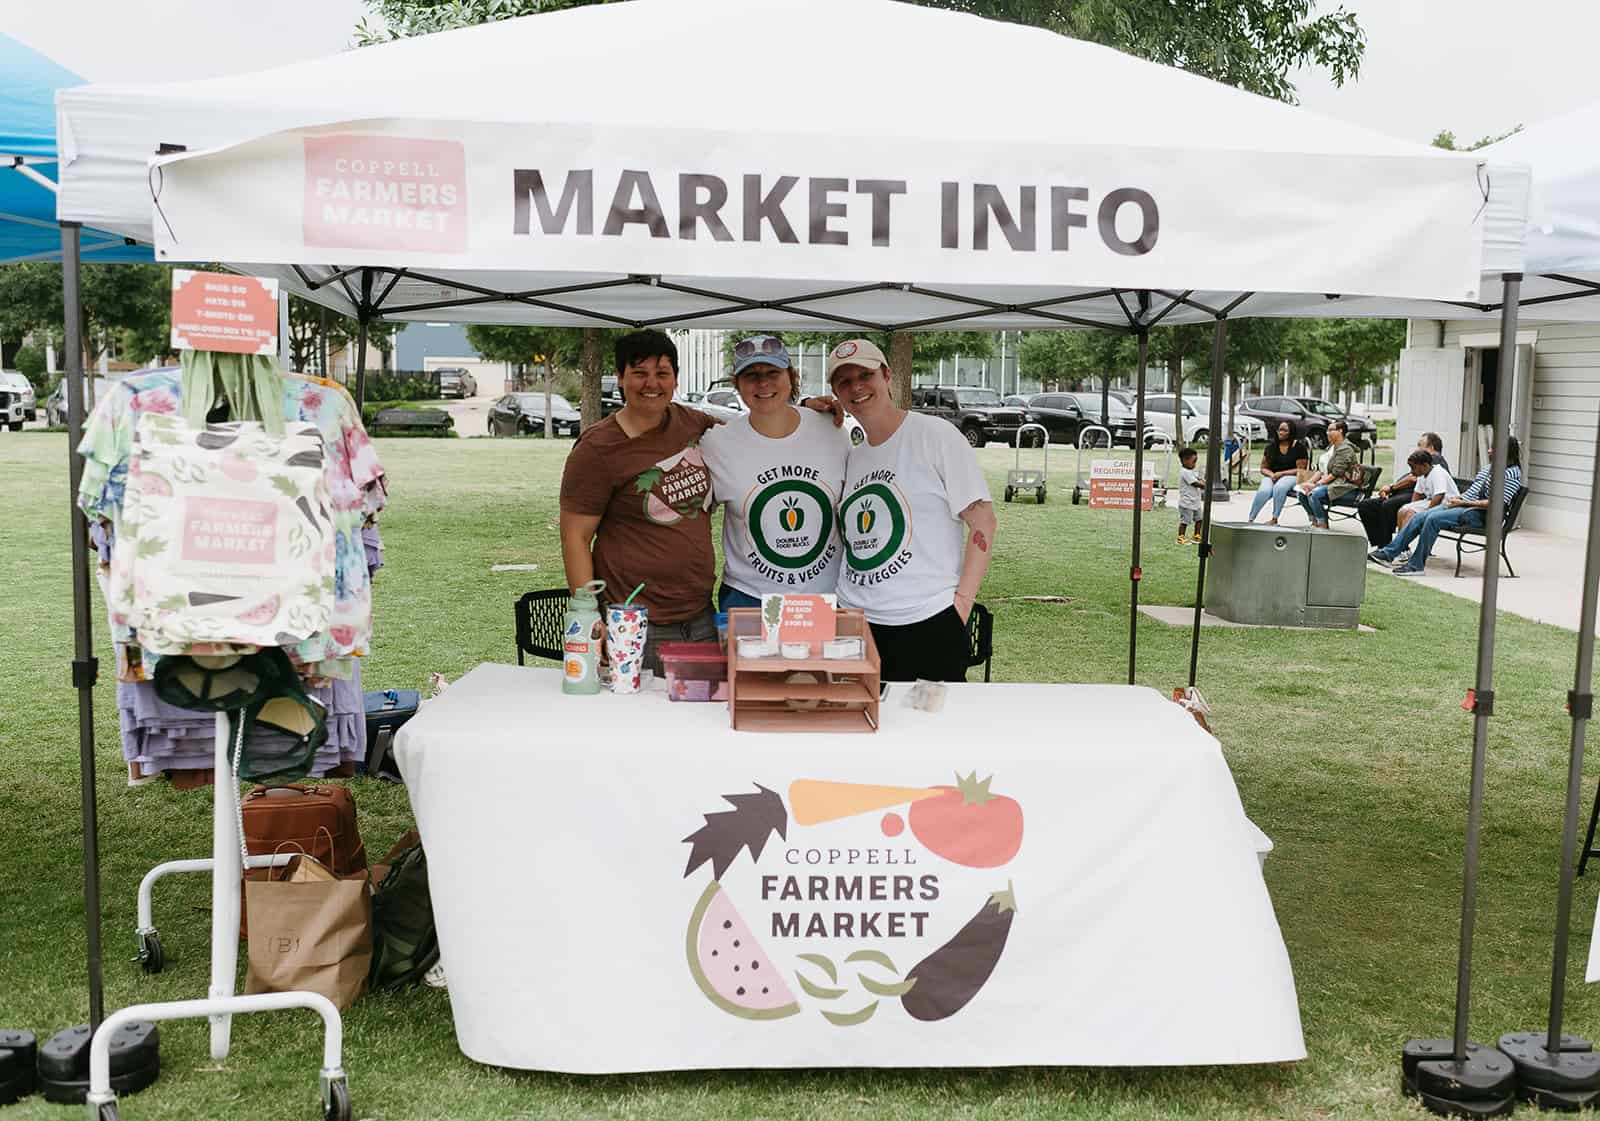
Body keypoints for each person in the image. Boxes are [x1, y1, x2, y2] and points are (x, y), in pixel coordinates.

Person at [827, 338, 996, 682]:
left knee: (928, 726)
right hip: (859, 625)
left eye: (865, 374)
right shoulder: (854, 455)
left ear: (887, 376)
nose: (856, 386)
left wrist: (960, 605)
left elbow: (984, 522)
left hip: (928, 624)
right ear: (836, 392)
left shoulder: (935, 436)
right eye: (844, 381)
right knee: (864, 724)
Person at [558, 330, 718, 672]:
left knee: (701, 722)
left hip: (702, 619)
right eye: (639, 373)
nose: (652, 384)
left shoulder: (694, 423)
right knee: (639, 724)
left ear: (675, 379)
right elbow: (576, 538)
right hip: (634, 626)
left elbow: (756, 433)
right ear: (619, 379)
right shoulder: (597, 449)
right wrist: (589, 619)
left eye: (662, 373)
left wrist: (808, 410)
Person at [699, 335, 850, 610]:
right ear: (737, 385)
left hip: (826, 596)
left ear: (791, 377)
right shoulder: (716, 442)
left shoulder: (832, 429)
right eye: (751, 375)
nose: (763, 383)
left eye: (773, 372)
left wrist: (806, 404)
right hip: (749, 597)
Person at [1367, 436, 1522, 575]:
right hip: (1462, 505)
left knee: (1432, 519)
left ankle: (1416, 565)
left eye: (1493, 448)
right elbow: (1474, 491)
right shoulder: (1490, 467)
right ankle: (1388, 554)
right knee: (1419, 516)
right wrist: (1458, 498)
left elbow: (1496, 504)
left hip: (1478, 514)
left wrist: (1463, 502)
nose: (1489, 450)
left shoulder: (1511, 474)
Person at [1357, 431, 1448, 546]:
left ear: (1431, 447)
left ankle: (1389, 547)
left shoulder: (1434, 459)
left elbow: (1413, 479)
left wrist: (1391, 487)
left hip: (1417, 497)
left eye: (1420, 445)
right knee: (1365, 505)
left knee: (1387, 505)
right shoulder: (1426, 458)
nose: (1417, 449)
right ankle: (1380, 544)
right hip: (1404, 493)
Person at [1293, 420, 1360, 528]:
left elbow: (1336, 473)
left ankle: (1322, 523)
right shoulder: (1331, 447)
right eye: (1327, 430)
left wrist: (1316, 485)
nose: (1327, 433)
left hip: (1343, 486)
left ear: (1340, 431)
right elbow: (1321, 470)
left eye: (1331, 430)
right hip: (1328, 483)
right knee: (1301, 492)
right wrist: (1307, 483)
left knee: (1313, 493)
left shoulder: (1345, 449)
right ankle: (1314, 520)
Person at [1247, 422, 1309, 524]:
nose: (1281, 432)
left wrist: (1281, 474)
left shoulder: (1299, 447)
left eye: (1284, 430)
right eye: (1280, 429)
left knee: (1280, 487)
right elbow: (1263, 468)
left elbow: (1301, 469)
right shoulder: (1271, 447)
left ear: (1291, 432)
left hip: (1292, 476)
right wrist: (1272, 475)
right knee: (1264, 491)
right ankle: (1251, 519)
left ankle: (1274, 518)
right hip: (1273, 475)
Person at [1393, 446, 1459, 534]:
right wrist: (1412, 506)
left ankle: (1400, 544)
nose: (1411, 471)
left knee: (1409, 513)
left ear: (1425, 465)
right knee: (1402, 510)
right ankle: (1400, 542)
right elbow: (1417, 494)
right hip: (1432, 502)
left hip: (1447, 503)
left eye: (1413, 468)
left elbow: (1439, 496)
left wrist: (1425, 513)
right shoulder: (1422, 475)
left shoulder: (1437, 473)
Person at [1176, 447, 1205, 543]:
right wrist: (1204, 485)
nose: (1195, 464)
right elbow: (1196, 483)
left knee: (1199, 519)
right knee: (1185, 521)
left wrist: (1202, 481)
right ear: (1185, 461)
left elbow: (1199, 480)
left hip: (1195, 502)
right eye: (1193, 461)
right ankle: (1181, 537)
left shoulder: (1192, 472)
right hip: (1186, 502)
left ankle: (1196, 535)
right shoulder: (1184, 472)